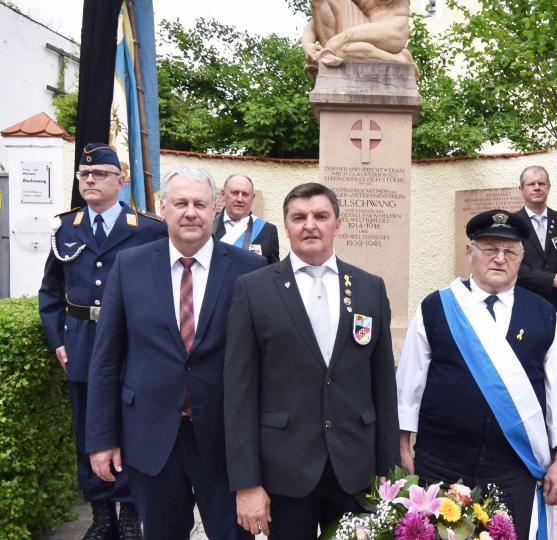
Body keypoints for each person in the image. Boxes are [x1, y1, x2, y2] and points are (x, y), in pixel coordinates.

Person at [85, 166, 266, 540]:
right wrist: (102, 438)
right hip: (151, 436)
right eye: (180, 203)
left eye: (200, 203)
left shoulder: (250, 270)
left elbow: (263, 363)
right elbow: (106, 359)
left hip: (224, 440)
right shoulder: (129, 266)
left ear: (215, 208)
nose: (190, 212)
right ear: (162, 206)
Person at [224, 182, 399, 539]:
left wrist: (388, 468)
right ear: (285, 226)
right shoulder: (253, 289)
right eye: (299, 217)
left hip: (355, 469)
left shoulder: (369, 287)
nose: (310, 225)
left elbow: (383, 385)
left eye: (321, 216)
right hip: (285, 472)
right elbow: (239, 393)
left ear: (337, 223)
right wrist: (247, 483)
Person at [396, 209, 557, 540]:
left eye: (509, 251)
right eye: (489, 249)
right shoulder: (436, 308)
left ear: (521, 257)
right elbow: (409, 386)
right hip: (440, 463)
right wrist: (402, 447)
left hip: (512, 469)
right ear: (470, 252)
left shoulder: (543, 315)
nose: (499, 259)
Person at [38, 142, 165, 540]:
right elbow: (50, 292)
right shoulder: (66, 227)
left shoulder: (147, 229)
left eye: (99, 174)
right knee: (87, 429)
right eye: (84, 175)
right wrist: (58, 339)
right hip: (82, 343)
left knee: (129, 427)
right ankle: (101, 513)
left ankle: (130, 513)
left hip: (130, 343)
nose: (89, 180)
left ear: (120, 181)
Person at [513, 165, 557, 318]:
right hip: (526, 306)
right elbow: (514, 267)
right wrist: (552, 280)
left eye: (541, 184)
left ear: (548, 187)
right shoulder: (513, 223)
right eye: (531, 184)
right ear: (521, 189)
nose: (537, 188)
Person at [301, 0, 415, 75]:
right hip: (365, 24)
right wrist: (308, 45)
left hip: (392, 27)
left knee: (334, 45)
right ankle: (330, 57)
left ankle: (399, 61)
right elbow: (314, 21)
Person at [213, 174, 280, 264]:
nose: (240, 199)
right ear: (223, 194)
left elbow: (274, 271)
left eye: (245, 194)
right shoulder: (208, 225)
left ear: (253, 197)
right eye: (235, 193)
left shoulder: (267, 231)